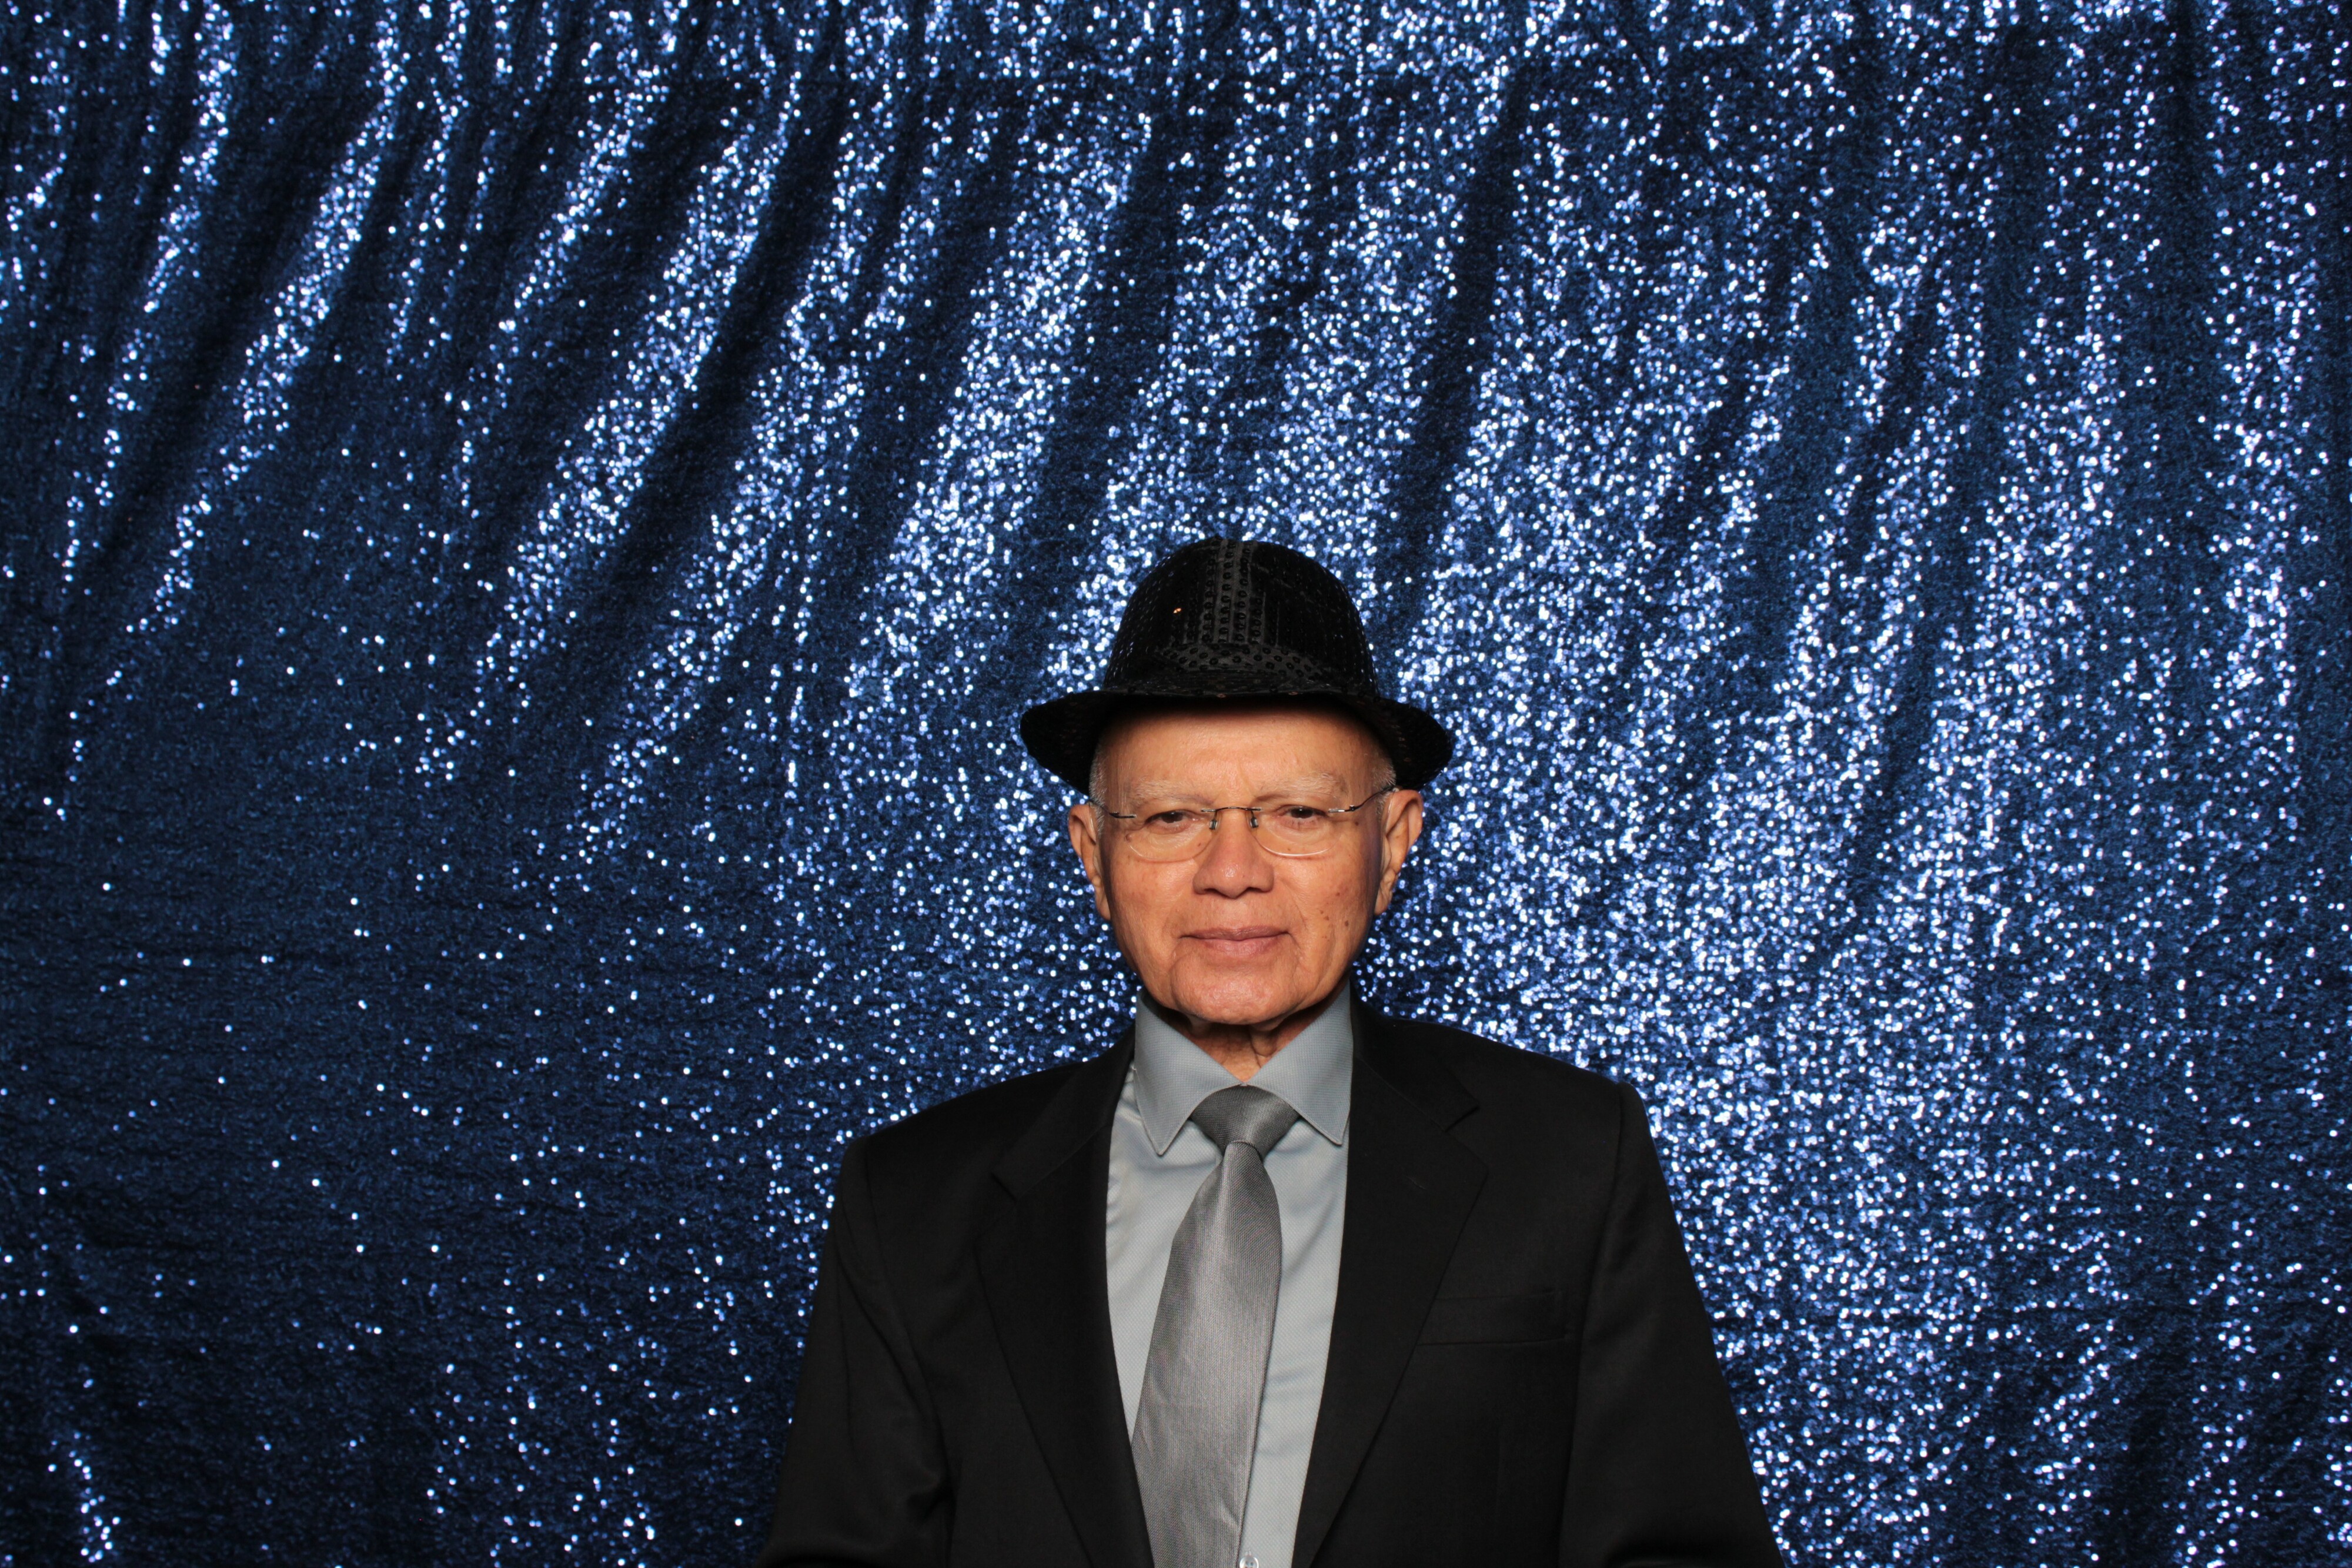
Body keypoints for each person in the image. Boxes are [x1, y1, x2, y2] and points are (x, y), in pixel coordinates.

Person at [755, 539, 1780, 1568]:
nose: (1233, 871)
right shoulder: (911, 1203)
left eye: (1298, 813)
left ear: (1394, 843)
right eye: (1171, 817)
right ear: (1095, 857)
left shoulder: (1573, 1163)